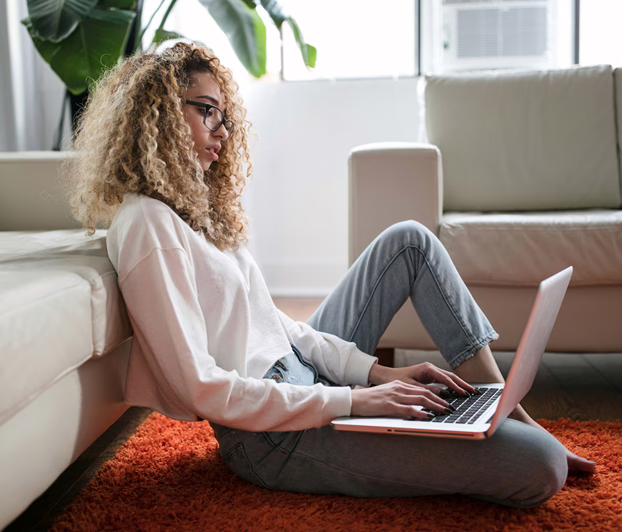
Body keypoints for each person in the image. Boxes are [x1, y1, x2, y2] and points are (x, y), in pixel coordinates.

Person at [61, 41, 595, 509]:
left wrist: (373, 375)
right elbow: (201, 388)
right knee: (541, 466)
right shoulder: (146, 225)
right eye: (207, 111)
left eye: (225, 115)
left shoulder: (196, 212)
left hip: (302, 378)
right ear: (156, 115)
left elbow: (278, 327)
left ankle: (501, 405)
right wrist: (354, 401)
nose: (222, 130)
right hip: (269, 436)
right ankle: (509, 430)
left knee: (408, 240)